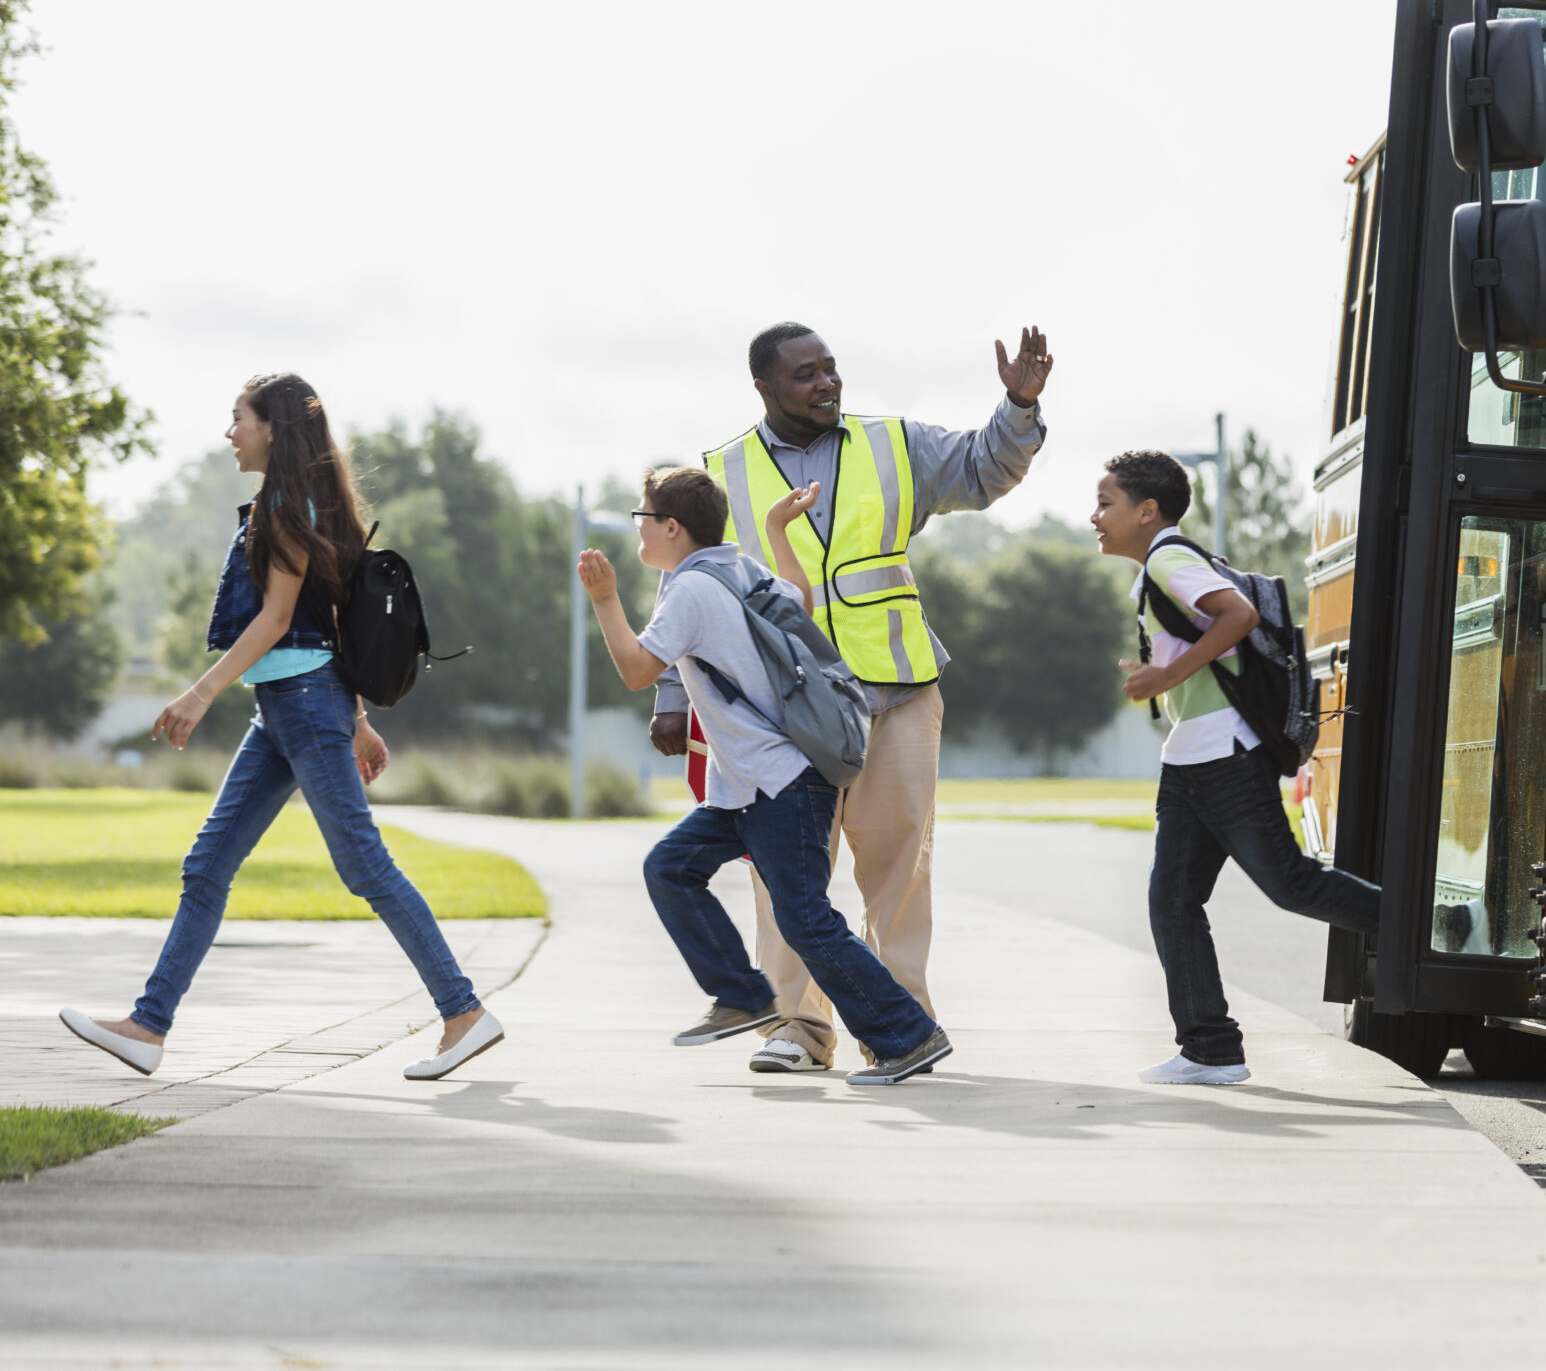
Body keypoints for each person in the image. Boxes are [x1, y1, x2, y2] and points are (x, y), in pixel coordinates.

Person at [60, 374, 503, 1082]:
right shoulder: (298, 503)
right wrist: (354, 719)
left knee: (363, 865)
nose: (229, 433)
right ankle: (147, 1027)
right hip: (289, 707)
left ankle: (464, 1012)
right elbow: (322, 623)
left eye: (237, 418)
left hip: (300, 702)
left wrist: (199, 694)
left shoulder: (285, 505)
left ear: (272, 428)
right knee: (207, 865)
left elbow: (276, 620)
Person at [649, 321, 1050, 1074]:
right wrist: (672, 691)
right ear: (764, 387)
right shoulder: (721, 473)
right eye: (805, 374)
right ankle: (799, 1028)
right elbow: (685, 583)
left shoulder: (893, 444)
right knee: (782, 876)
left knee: (897, 869)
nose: (826, 383)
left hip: (893, 693)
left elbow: (983, 466)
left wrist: (1018, 407)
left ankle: (898, 1027)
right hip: (779, 715)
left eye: (831, 369)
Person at [578, 467, 949, 1085]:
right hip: (749, 787)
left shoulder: (693, 589)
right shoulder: (737, 568)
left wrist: (604, 599)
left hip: (782, 784)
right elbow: (800, 597)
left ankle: (907, 1036)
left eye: (643, 518)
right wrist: (777, 528)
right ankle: (743, 996)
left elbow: (640, 670)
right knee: (670, 867)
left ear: (671, 527)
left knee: (804, 918)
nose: (638, 529)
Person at [1090, 451, 1383, 1085]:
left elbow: (1239, 615)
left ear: (1147, 511)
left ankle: (1419, 929)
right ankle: (1210, 1050)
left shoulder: (1170, 559)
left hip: (1223, 756)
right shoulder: (1160, 565)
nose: (1096, 517)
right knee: (1172, 901)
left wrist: (1166, 674)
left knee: (1291, 885)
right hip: (1193, 759)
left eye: (1106, 504)